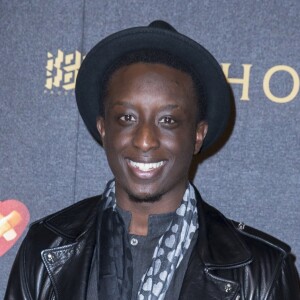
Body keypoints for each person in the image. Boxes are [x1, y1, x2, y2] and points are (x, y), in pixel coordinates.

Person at [5, 20, 299, 300]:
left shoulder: (262, 271)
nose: (145, 140)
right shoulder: (44, 249)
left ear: (197, 135)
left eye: (168, 120)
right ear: (104, 129)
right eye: (127, 117)